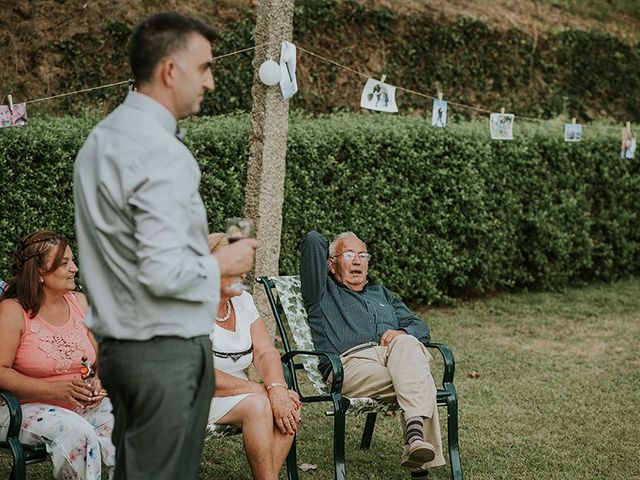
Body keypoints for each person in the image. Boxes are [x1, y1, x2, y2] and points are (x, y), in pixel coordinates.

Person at [73, 12, 258, 480]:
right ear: (170, 71)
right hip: (164, 353)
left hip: (121, 351)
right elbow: (160, 272)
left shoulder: (102, 139)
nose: (211, 83)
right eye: (205, 69)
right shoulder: (158, 150)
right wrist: (222, 264)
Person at [300, 230, 445, 480]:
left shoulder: (382, 294)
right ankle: (419, 470)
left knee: (408, 342)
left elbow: (421, 327)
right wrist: (333, 254)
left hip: (395, 359)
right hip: (349, 365)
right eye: (348, 255)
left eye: (362, 255)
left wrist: (402, 331)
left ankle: (415, 438)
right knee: (421, 378)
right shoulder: (322, 292)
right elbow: (313, 240)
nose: (357, 261)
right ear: (331, 264)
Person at [0, 230, 115, 480]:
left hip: (79, 405)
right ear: (39, 272)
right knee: (78, 433)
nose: (74, 268)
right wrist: (57, 391)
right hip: (19, 409)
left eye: (72, 261)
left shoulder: (80, 304)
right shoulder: (13, 311)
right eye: (64, 263)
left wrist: (99, 382)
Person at [206, 233, 301, 480]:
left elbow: (265, 351)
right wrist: (259, 390)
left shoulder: (244, 301)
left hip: (238, 394)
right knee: (258, 404)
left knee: (288, 403)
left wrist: (277, 389)